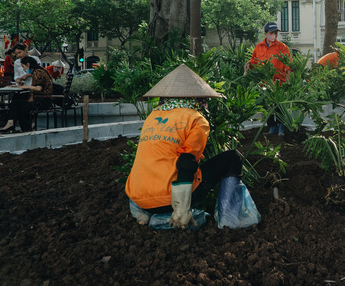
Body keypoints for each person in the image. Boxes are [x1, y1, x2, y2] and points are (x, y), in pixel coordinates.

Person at [125, 64, 251, 230]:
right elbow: (187, 162)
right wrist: (181, 209)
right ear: (197, 98)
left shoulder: (152, 116)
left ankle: (143, 212)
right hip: (169, 199)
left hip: (137, 195)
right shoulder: (196, 119)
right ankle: (231, 218)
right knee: (232, 158)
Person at [244, 22, 291, 136]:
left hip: (279, 83)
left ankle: (281, 128)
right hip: (263, 84)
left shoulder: (282, 47)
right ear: (266, 34)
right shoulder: (259, 47)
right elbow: (254, 61)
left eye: (275, 33)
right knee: (266, 106)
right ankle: (272, 127)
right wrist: (249, 65)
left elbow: (288, 65)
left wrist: (288, 81)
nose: (274, 35)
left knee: (279, 105)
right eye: (271, 33)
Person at [0, 56, 53, 133]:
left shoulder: (38, 72)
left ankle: (25, 129)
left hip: (42, 100)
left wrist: (26, 86)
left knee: (21, 108)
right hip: (40, 99)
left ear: (28, 64)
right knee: (15, 103)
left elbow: (38, 88)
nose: (24, 70)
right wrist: (20, 86)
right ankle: (12, 123)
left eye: (24, 67)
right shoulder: (38, 71)